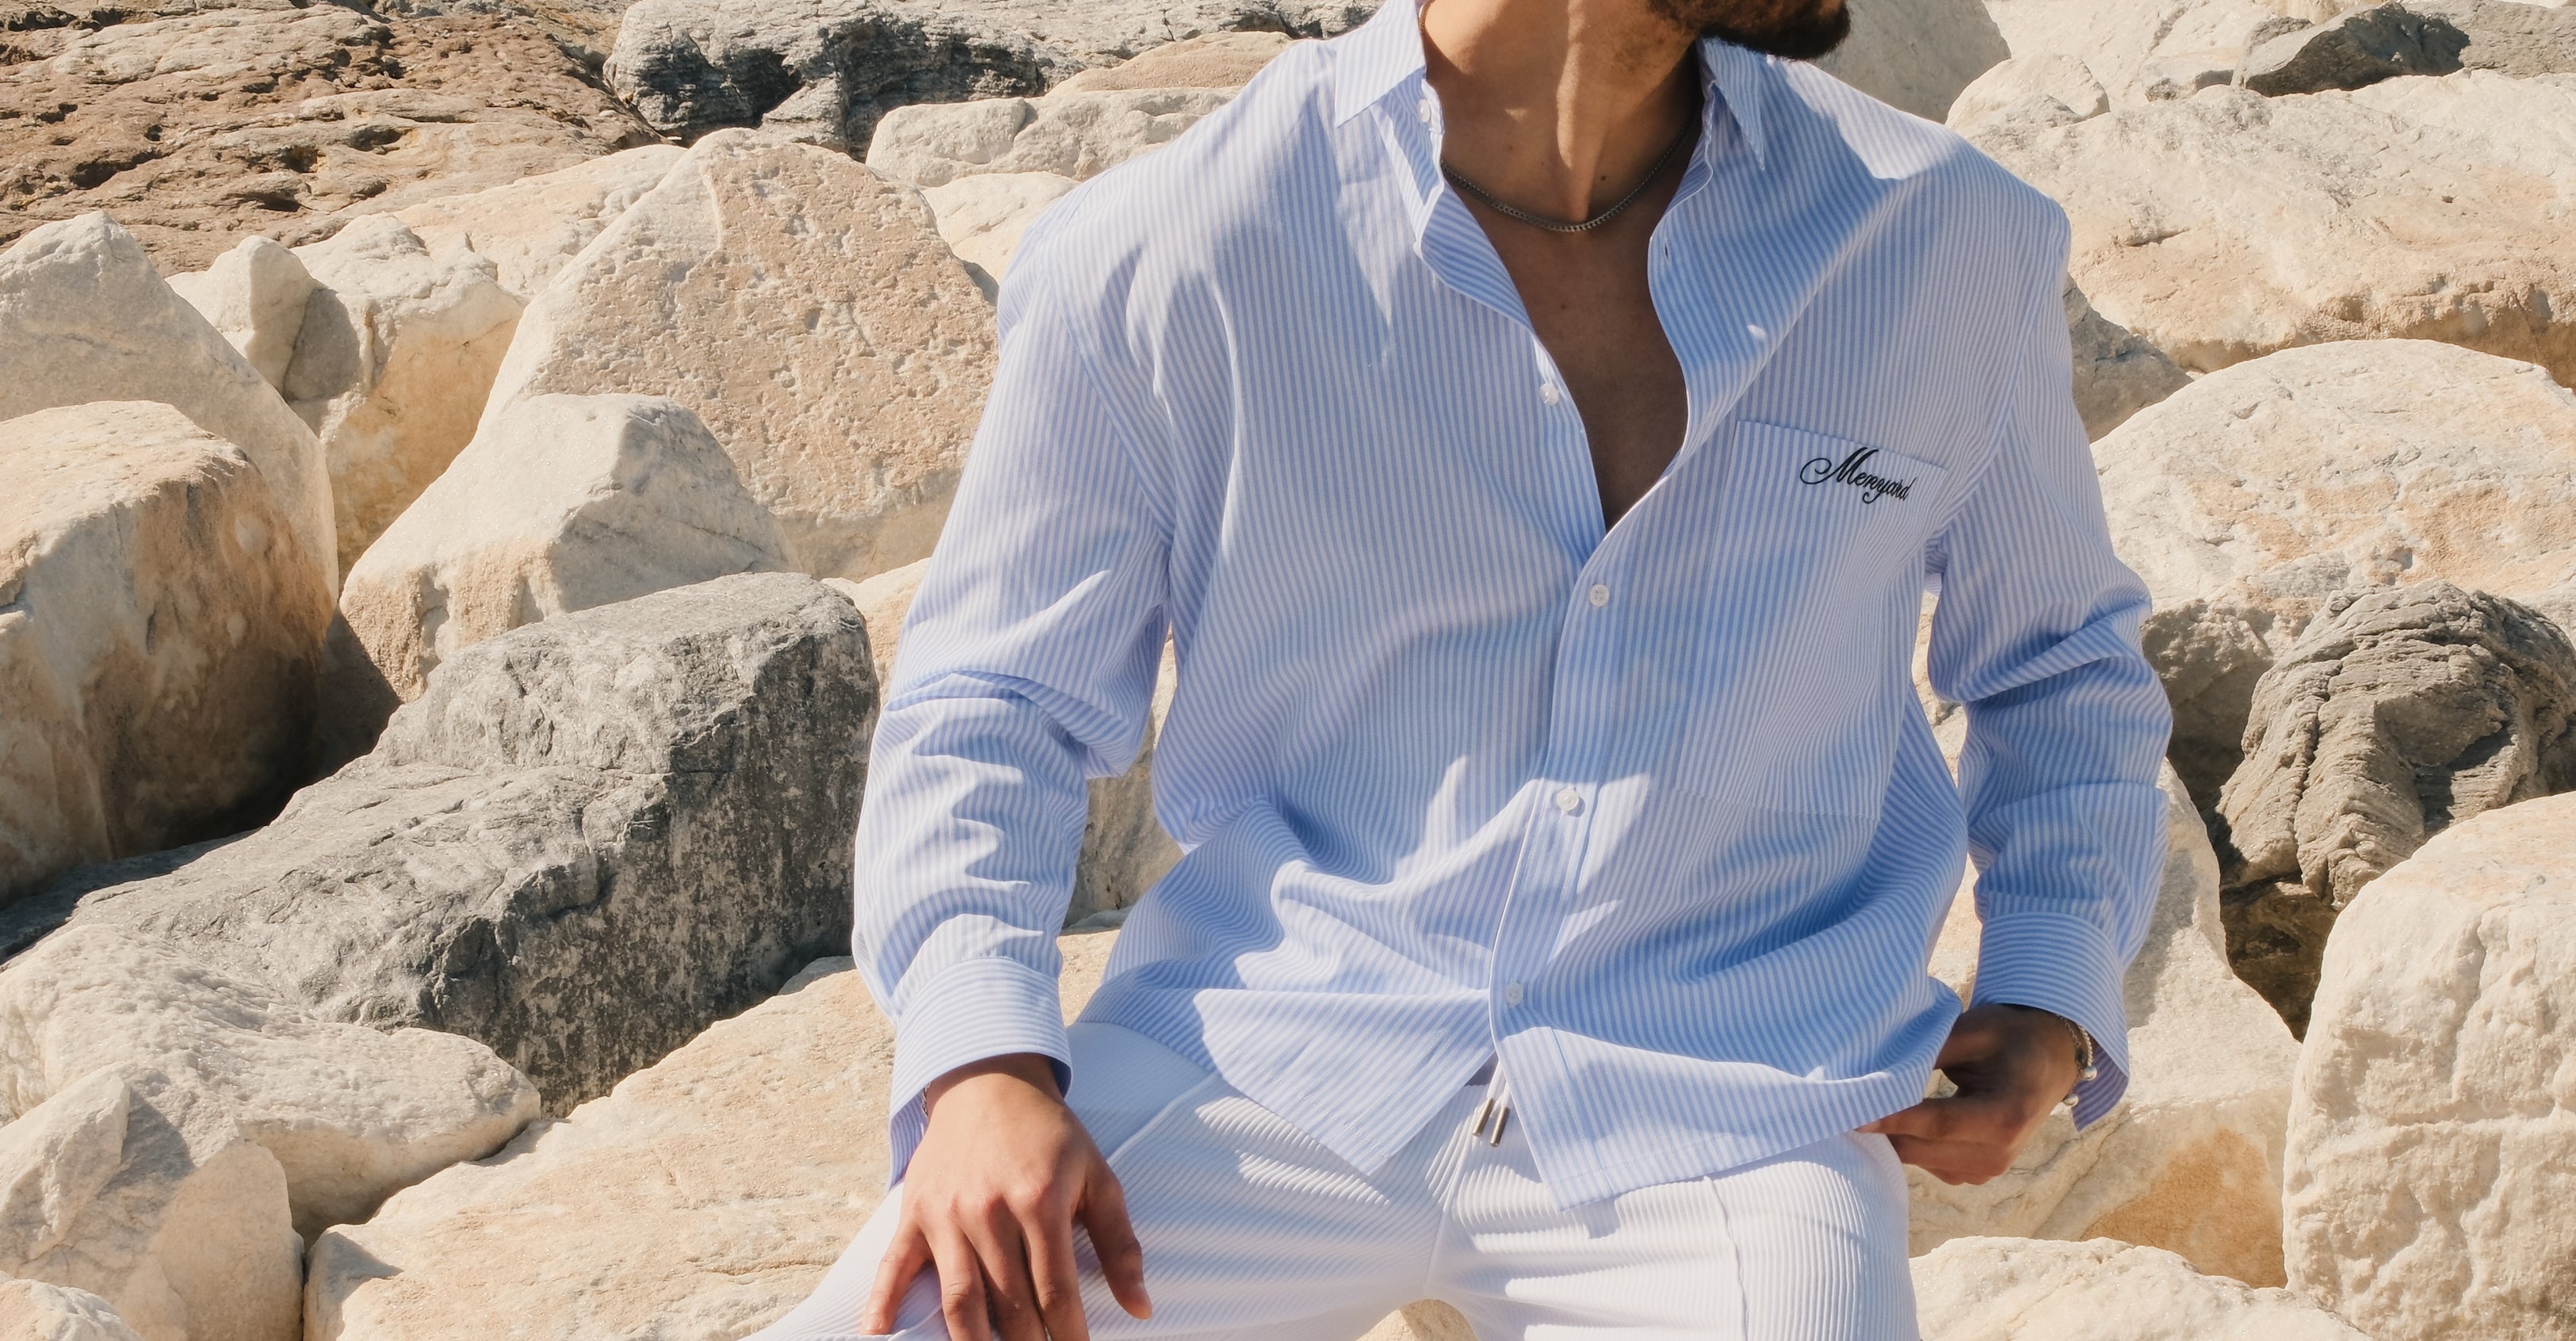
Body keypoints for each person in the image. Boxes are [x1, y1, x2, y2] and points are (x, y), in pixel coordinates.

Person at [748, 0, 2172, 1329]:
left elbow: (2058, 662)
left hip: (1725, 1102)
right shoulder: (1174, 244)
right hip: (1273, 1044)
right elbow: (996, 700)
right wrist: (981, 1066)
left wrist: (2049, 987)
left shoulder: (1943, 236)